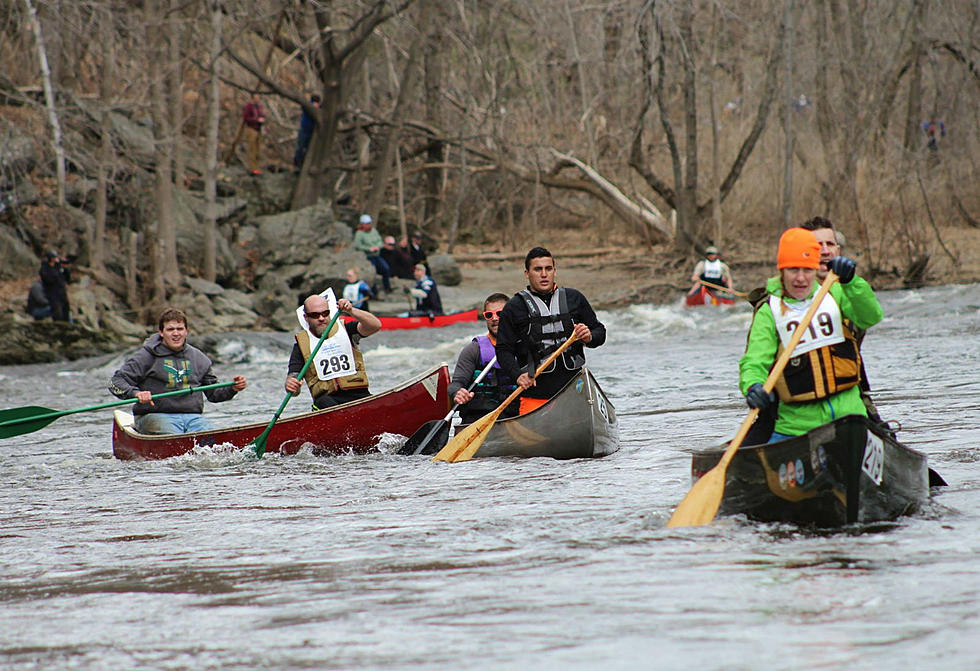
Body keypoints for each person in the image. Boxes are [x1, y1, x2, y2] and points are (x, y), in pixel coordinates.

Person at [739, 228, 883, 442]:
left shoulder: (836, 292)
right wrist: (753, 386)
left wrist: (853, 281)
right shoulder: (769, 311)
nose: (800, 278)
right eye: (793, 270)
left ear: (815, 268)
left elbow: (871, 316)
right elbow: (754, 362)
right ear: (782, 271)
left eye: (807, 270)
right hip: (796, 428)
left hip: (851, 418)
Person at [495, 246, 606, 415]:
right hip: (536, 394)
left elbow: (600, 332)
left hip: (574, 390)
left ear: (555, 271)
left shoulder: (574, 298)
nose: (544, 274)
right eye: (538, 269)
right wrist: (517, 375)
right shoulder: (514, 307)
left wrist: (589, 336)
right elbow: (503, 350)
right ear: (527, 273)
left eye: (548, 268)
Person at [108, 308, 247, 435]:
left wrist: (232, 388)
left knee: (214, 440)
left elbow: (214, 394)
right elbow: (116, 382)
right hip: (155, 416)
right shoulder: (145, 356)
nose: (176, 333)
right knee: (175, 437)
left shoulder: (199, 358)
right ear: (161, 333)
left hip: (193, 418)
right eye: (170, 329)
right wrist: (136, 393)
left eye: (180, 329)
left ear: (186, 331)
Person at [284, 294, 382, 409]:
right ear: (306, 318)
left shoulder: (346, 330)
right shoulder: (301, 346)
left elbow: (375, 326)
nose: (321, 318)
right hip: (327, 401)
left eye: (325, 313)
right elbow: (294, 384)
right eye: (315, 315)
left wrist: (351, 310)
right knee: (324, 402)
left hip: (359, 395)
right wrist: (291, 385)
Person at [448, 293, 519, 424]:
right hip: (479, 419)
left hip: (515, 416)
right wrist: (457, 393)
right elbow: (456, 383)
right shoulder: (474, 350)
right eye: (489, 315)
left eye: (500, 313)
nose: (495, 318)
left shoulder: (523, 348)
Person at [352, 214, 392, 295]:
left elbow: (380, 241)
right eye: (366, 224)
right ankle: (374, 292)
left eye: (369, 223)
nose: (368, 225)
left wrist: (377, 247)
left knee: (386, 268)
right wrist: (369, 248)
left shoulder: (374, 231)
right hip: (367, 257)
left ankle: (387, 288)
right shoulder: (359, 234)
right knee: (372, 273)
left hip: (376, 255)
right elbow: (357, 246)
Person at [38, 250, 71, 322]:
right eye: (54, 257)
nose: (56, 259)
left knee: (66, 311)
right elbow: (48, 280)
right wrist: (56, 275)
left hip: (62, 293)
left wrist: (64, 268)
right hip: (53, 294)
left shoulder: (58, 267)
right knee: (57, 313)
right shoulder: (45, 268)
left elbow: (67, 279)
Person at [293, 94, 320, 171]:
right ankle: (297, 165)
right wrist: (312, 106)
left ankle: (304, 164)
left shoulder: (319, 107)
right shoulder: (307, 105)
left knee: (308, 149)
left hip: (312, 131)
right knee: (300, 147)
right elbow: (304, 107)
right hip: (305, 129)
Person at [242, 93, 265, 175]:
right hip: (251, 129)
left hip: (258, 129)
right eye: (256, 97)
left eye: (258, 97)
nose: (257, 99)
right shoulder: (249, 106)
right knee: (252, 149)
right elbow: (246, 118)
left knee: (258, 149)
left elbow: (262, 115)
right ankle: (252, 169)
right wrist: (256, 120)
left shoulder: (258, 107)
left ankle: (257, 167)